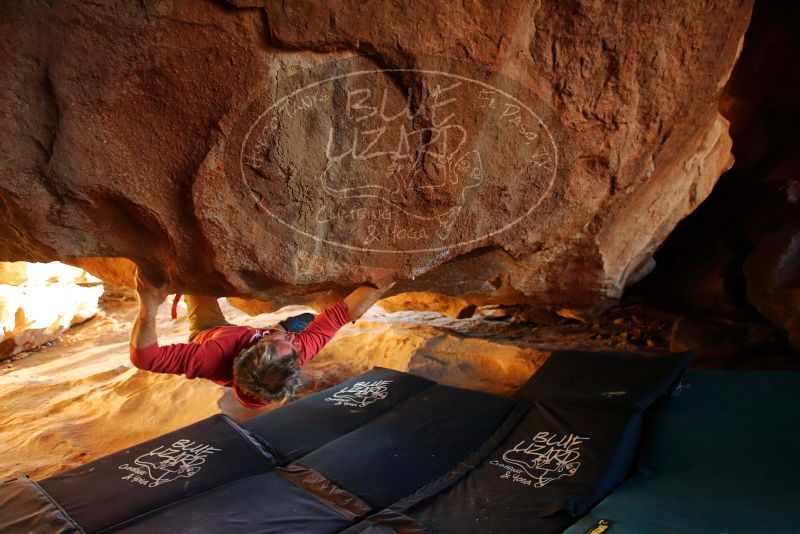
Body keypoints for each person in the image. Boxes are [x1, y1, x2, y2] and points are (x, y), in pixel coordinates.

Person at [129, 268, 393, 409]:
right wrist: (389, 277)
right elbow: (342, 315)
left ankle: (273, 330)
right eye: (289, 344)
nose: (289, 340)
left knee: (194, 280)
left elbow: (145, 358)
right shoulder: (298, 350)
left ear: (249, 349)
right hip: (257, 356)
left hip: (210, 331)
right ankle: (282, 327)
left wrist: (148, 305)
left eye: (276, 340)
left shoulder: (209, 356)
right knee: (307, 324)